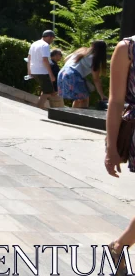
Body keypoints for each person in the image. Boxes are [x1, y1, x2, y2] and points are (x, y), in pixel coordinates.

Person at [104, 35, 135, 270]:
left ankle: (119, 246)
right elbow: (115, 102)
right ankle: (119, 247)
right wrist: (111, 148)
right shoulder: (127, 49)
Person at [58, 41, 108, 109]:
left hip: (63, 73)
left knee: (79, 98)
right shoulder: (94, 59)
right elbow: (96, 79)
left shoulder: (82, 50)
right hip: (73, 75)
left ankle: (73, 115)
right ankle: (80, 117)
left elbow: (66, 59)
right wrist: (102, 95)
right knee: (84, 98)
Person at [28, 30, 58, 109]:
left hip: (34, 71)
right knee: (48, 92)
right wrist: (51, 74)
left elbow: (29, 58)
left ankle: (40, 106)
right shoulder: (45, 45)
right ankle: (38, 109)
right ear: (49, 37)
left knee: (47, 91)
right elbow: (45, 60)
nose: (52, 41)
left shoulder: (34, 44)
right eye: (52, 39)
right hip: (42, 72)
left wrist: (29, 71)